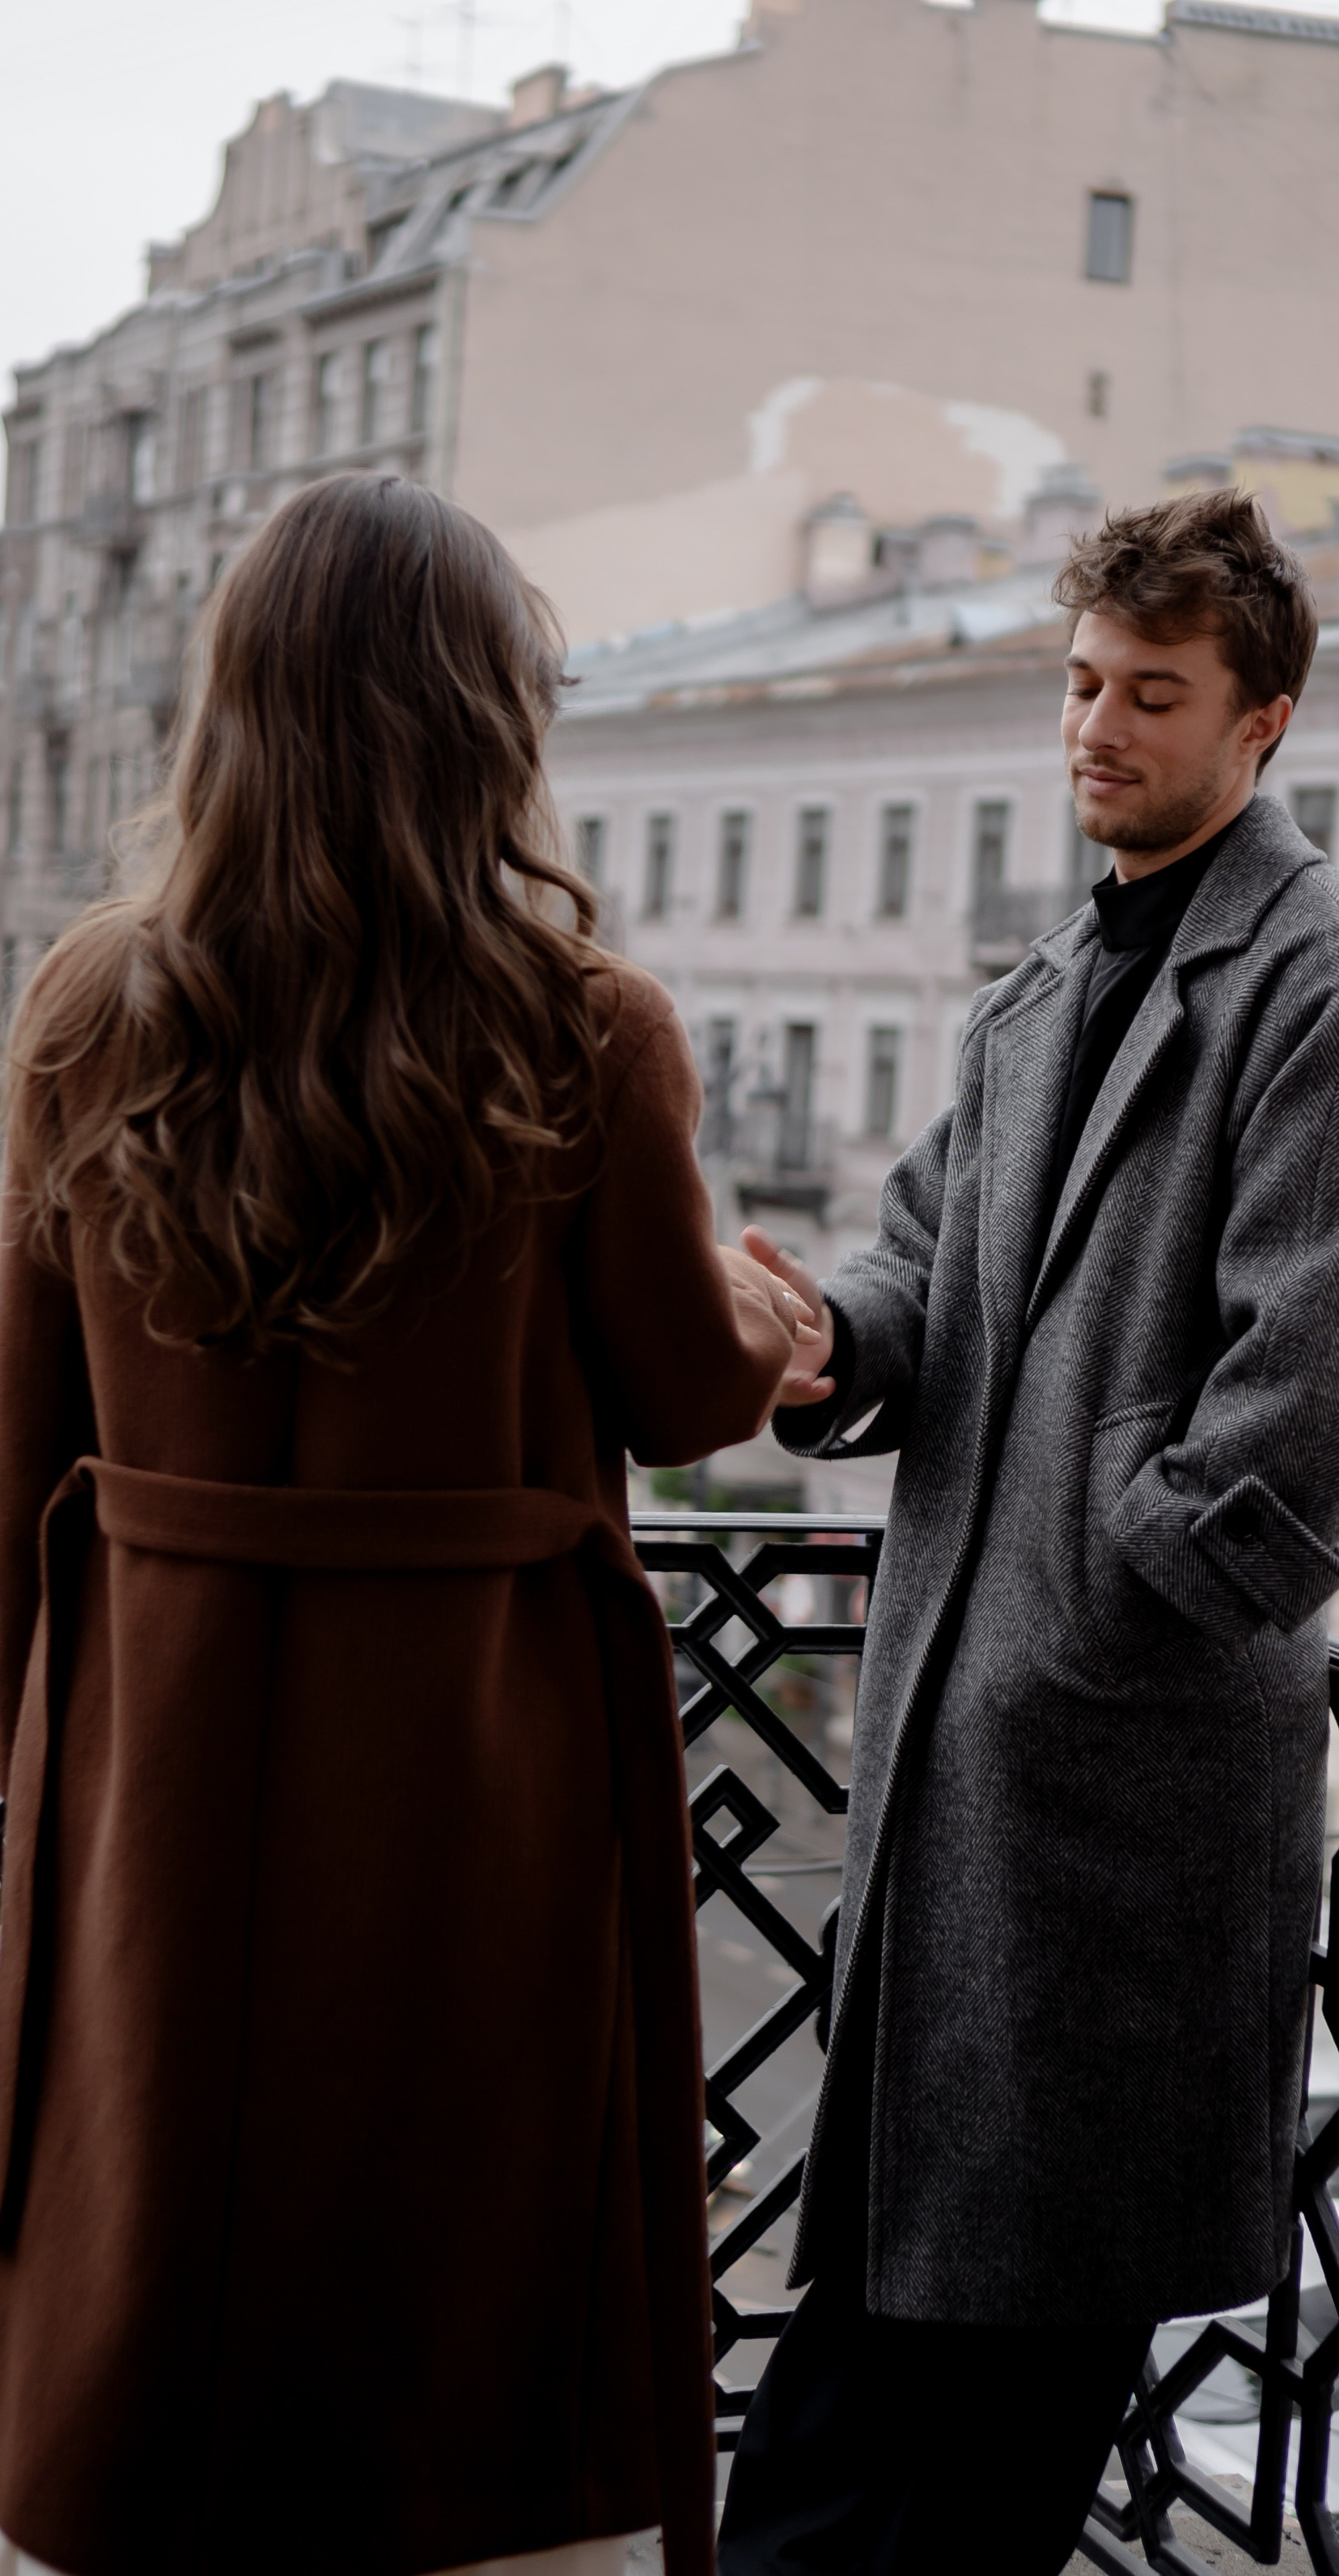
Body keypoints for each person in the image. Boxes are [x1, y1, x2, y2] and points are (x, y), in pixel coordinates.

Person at [0, 474, 817, 2576]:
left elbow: (27, 1465)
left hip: (163, 1745)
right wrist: (764, 1300)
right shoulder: (582, 1030)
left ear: (234, 707)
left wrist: (55, 1747)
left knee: (157, 2229)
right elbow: (697, 1396)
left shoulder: (91, 1011)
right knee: (448, 2261)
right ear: (478, 724)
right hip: (468, 1765)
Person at [719, 486, 1339, 2575]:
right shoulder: (1038, 985)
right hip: (954, 1787)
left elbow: (1312, 1390)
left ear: (1262, 726)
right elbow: (919, 1288)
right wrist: (817, 1344)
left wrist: (1098, 1601)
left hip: (1119, 1794)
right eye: (1082, 685)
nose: (1098, 728)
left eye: (1152, 695)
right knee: (864, 2375)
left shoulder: (1315, 985)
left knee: (996, 2412)